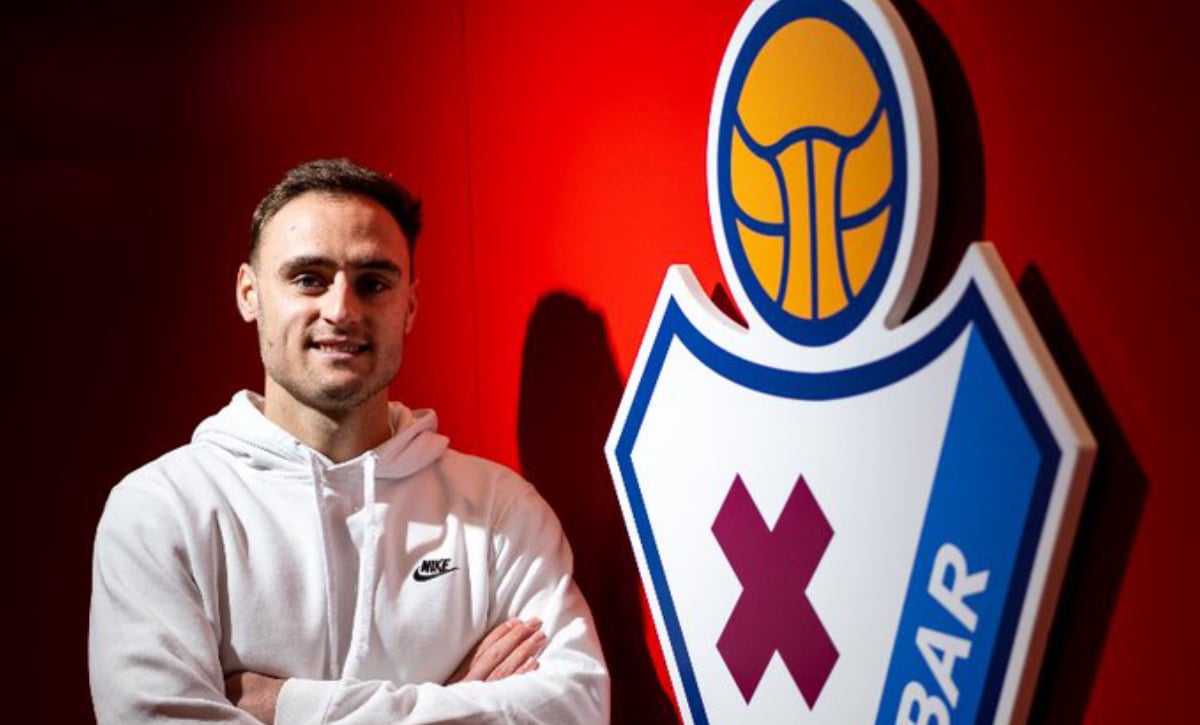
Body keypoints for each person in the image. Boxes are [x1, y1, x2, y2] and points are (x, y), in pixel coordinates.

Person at [88, 158, 611, 724]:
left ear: (409, 305)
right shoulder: (161, 508)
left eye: (373, 283)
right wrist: (455, 698)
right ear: (249, 294)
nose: (341, 310)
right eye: (309, 279)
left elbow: (576, 709)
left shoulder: (500, 510)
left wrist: (288, 705)